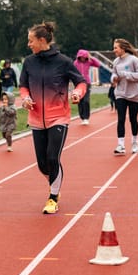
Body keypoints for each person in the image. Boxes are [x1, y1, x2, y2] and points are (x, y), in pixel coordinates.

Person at [19, 21, 86, 214]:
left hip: (59, 117)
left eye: (31, 41)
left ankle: (53, 197)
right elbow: (23, 85)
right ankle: (55, 181)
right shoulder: (29, 62)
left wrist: (77, 94)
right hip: (36, 118)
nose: (28, 44)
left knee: (52, 156)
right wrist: (25, 98)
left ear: (42, 40)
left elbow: (80, 82)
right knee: (42, 164)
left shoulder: (63, 62)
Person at [111, 38, 138, 155]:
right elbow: (114, 73)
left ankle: (135, 142)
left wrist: (125, 74)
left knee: (133, 119)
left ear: (123, 48)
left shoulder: (134, 60)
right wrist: (114, 79)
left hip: (134, 95)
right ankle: (120, 145)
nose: (114, 50)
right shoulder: (116, 61)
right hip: (120, 93)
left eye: (116, 47)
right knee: (120, 119)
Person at [73, 49, 101, 125]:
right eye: (81, 57)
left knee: (86, 100)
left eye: (84, 57)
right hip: (78, 83)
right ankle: (82, 117)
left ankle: (86, 117)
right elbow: (72, 72)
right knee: (79, 101)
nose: (83, 58)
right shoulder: (75, 63)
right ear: (79, 57)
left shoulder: (89, 62)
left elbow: (98, 64)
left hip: (87, 83)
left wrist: (91, 57)